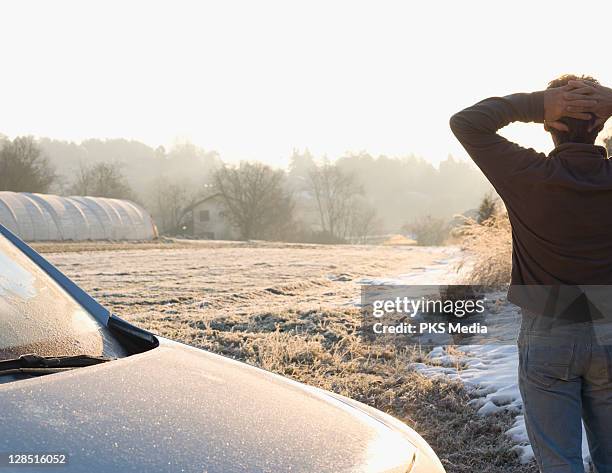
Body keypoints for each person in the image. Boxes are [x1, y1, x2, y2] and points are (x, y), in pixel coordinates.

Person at [450, 74, 612, 473]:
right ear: (601, 123)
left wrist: (538, 102)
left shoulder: (527, 174)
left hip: (549, 329)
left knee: (559, 463)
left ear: (549, 125)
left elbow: (466, 122)